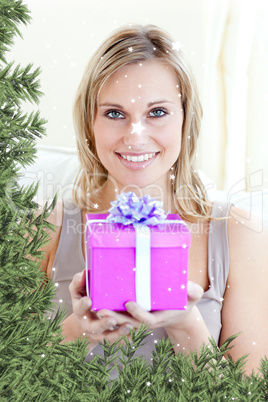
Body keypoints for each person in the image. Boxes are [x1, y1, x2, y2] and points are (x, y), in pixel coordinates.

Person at [41, 24, 268, 376]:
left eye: (157, 112)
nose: (136, 136)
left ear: (185, 120)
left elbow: (251, 393)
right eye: (114, 113)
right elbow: (10, 376)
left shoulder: (241, 236)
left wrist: (187, 325)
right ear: (90, 123)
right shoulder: (44, 229)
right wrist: (77, 331)